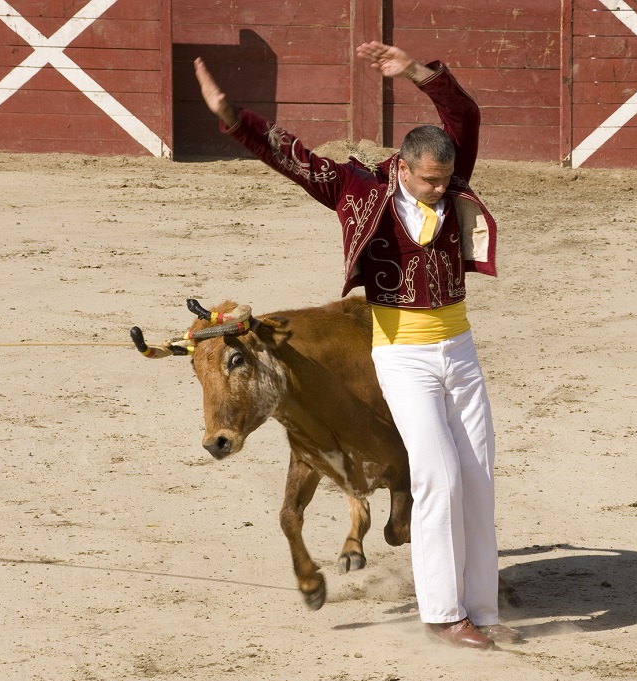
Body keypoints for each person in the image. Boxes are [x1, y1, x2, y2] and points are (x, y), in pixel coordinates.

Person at [194, 41, 520, 650]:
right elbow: (289, 157)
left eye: (447, 181)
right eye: (429, 181)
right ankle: (445, 612)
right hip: (402, 356)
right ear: (404, 166)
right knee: (438, 477)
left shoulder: (450, 179)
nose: (440, 190)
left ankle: (483, 605)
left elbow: (465, 116)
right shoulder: (359, 193)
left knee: (477, 478)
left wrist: (415, 72)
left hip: (461, 350)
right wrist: (235, 119)